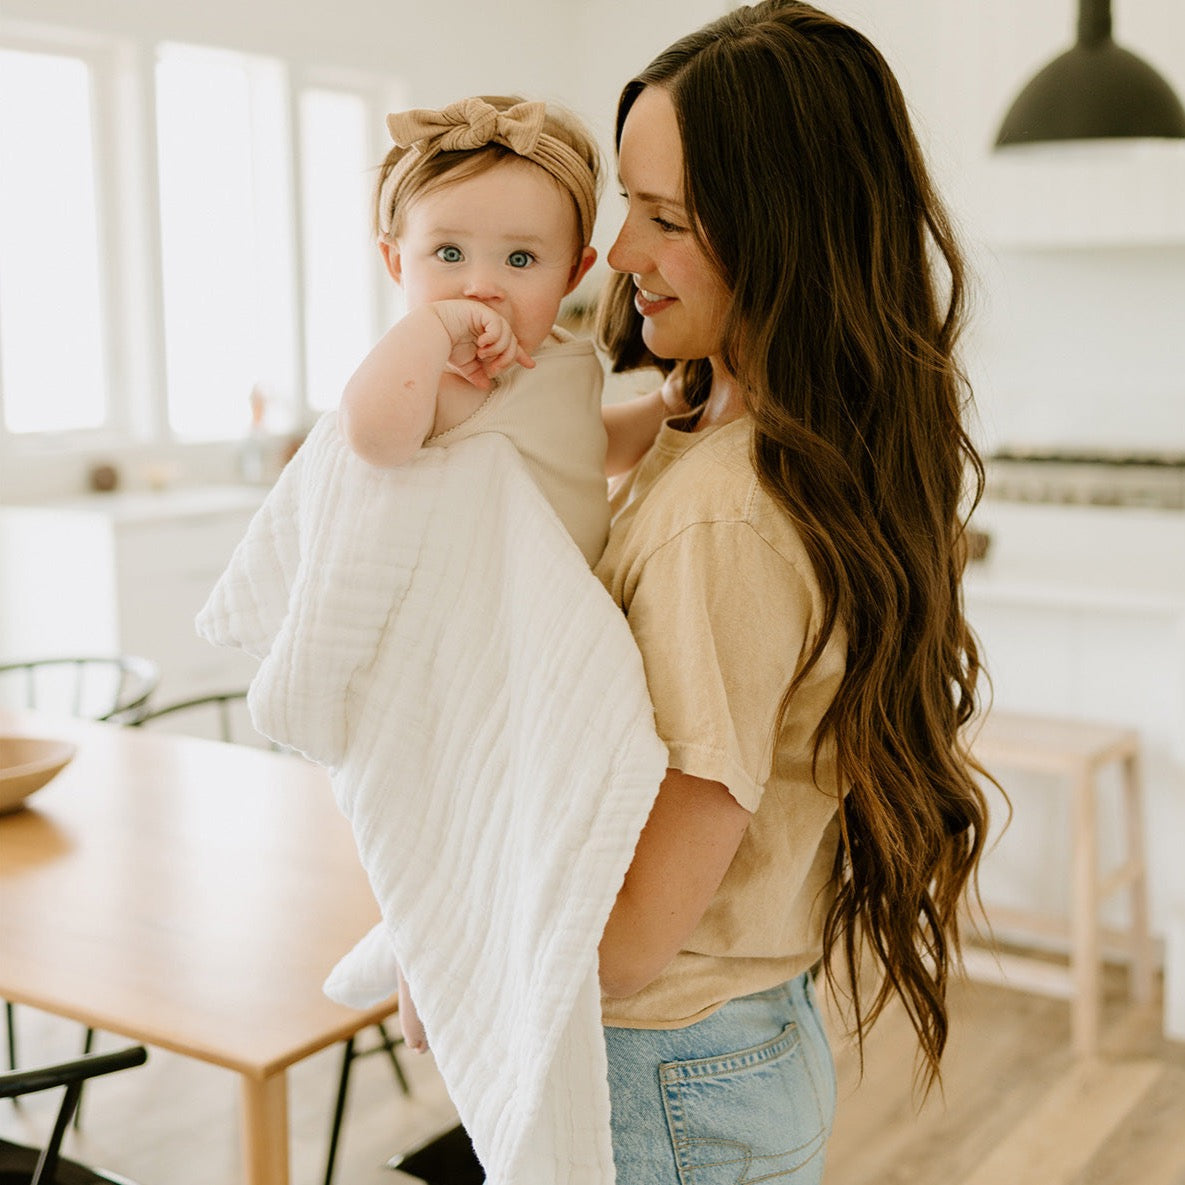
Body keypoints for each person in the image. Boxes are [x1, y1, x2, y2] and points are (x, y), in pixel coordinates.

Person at [592, 3, 994, 1182]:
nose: (622, 252)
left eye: (665, 218)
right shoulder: (746, 421)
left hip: (659, 1068)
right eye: (629, 203)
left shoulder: (726, 516)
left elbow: (629, 942)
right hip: (730, 1050)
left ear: (785, 231)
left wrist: (451, 950)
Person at [339, 93, 608, 565]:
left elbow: (579, 447)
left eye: (519, 259)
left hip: (562, 611)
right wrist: (434, 325)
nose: (481, 286)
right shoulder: (430, 377)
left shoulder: (563, 358)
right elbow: (372, 439)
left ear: (572, 273)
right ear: (396, 262)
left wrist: (663, 410)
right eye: (449, 253)